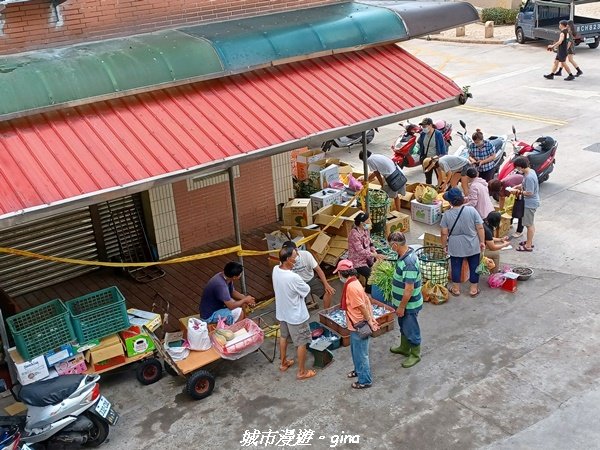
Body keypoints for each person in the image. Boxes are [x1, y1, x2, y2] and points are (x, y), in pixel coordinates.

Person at [273, 246, 316, 380]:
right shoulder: (293, 277)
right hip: (296, 315)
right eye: (294, 257)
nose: (297, 259)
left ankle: (283, 363)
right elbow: (306, 290)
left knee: (284, 337)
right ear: (287, 260)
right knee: (301, 342)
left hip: (282, 312)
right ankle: (302, 372)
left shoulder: (275, 270)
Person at [335, 259, 379, 389]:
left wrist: (370, 321)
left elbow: (362, 307)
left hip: (358, 325)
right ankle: (358, 370)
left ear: (342, 274)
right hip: (354, 324)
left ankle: (365, 380)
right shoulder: (353, 282)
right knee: (356, 352)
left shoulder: (352, 287)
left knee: (361, 354)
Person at [440, 188, 485, 298]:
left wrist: (444, 245)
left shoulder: (446, 215)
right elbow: (480, 227)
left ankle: (456, 289)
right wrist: (482, 241)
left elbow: (444, 233)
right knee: (474, 266)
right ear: (462, 199)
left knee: (456, 266)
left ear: (450, 202)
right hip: (472, 242)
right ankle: (473, 289)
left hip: (455, 244)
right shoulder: (471, 210)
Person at [388, 232, 423, 368]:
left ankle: (415, 354)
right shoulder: (403, 255)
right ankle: (404, 347)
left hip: (409, 304)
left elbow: (409, 289)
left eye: (390, 246)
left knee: (411, 328)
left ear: (395, 245)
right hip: (402, 304)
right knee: (404, 326)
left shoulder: (409, 263)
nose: (390, 248)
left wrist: (402, 307)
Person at [281, 241, 335, 309]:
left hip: (310, 279)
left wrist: (326, 284)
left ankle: (326, 312)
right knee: (293, 302)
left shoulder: (306, 255)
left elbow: (318, 270)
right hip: (297, 284)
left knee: (328, 292)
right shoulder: (284, 260)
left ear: (296, 250)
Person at [347, 212, 382, 295]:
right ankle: (367, 293)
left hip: (368, 257)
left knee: (380, 265)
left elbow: (370, 243)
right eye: (368, 220)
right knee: (370, 275)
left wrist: (374, 251)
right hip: (357, 261)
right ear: (362, 223)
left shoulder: (366, 230)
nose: (370, 221)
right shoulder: (354, 234)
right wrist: (374, 255)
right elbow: (360, 251)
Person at [512, 156, 540, 252]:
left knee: (529, 225)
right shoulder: (530, 171)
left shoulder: (529, 177)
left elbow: (530, 192)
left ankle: (528, 245)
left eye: (517, 167)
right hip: (530, 202)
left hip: (530, 203)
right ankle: (529, 241)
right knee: (529, 223)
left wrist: (518, 191)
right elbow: (526, 185)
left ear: (521, 167)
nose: (517, 169)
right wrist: (519, 186)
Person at [488, 174, 525, 238]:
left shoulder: (509, 185)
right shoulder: (499, 186)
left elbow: (516, 195)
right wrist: (501, 211)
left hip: (521, 191)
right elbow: (501, 198)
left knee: (520, 211)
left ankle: (519, 231)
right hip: (513, 195)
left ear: (500, 188)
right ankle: (509, 223)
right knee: (510, 208)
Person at [417, 117, 447, 184]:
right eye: (422, 126)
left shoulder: (438, 134)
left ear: (430, 125)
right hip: (426, 160)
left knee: (440, 178)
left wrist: (438, 158)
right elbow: (420, 144)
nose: (423, 128)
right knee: (428, 178)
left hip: (436, 159)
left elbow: (443, 150)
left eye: (425, 126)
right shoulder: (423, 134)